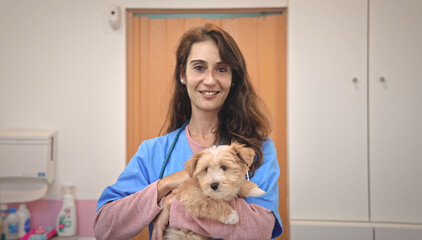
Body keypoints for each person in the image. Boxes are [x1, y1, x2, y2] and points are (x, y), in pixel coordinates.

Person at [93, 23, 283, 240]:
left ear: (233, 79)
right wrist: (164, 186)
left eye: (221, 69)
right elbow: (104, 227)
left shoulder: (258, 149)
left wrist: (175, 208)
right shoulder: (153, 152)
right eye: (199, 67)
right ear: (182, 75)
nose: (210, 80)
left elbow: (259, 230)